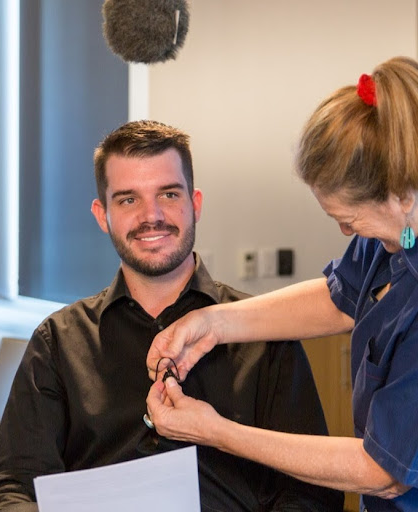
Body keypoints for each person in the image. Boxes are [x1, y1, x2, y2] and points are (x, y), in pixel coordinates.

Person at [0, 120, 343, 511]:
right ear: (102, 215)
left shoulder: (265, 332)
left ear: (195, 204)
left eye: (168, 194)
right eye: (128, 200)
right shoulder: (58, 341)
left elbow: (312, 493)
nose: (151, 215)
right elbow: (11, 485)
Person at [146, 56, 418, 512]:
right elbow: (339, 298)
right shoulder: (396, 237)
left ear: (402, 195)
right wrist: (213, 323)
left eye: (349, 219)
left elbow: (382, 471)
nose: (346, 233)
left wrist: (217, 433)